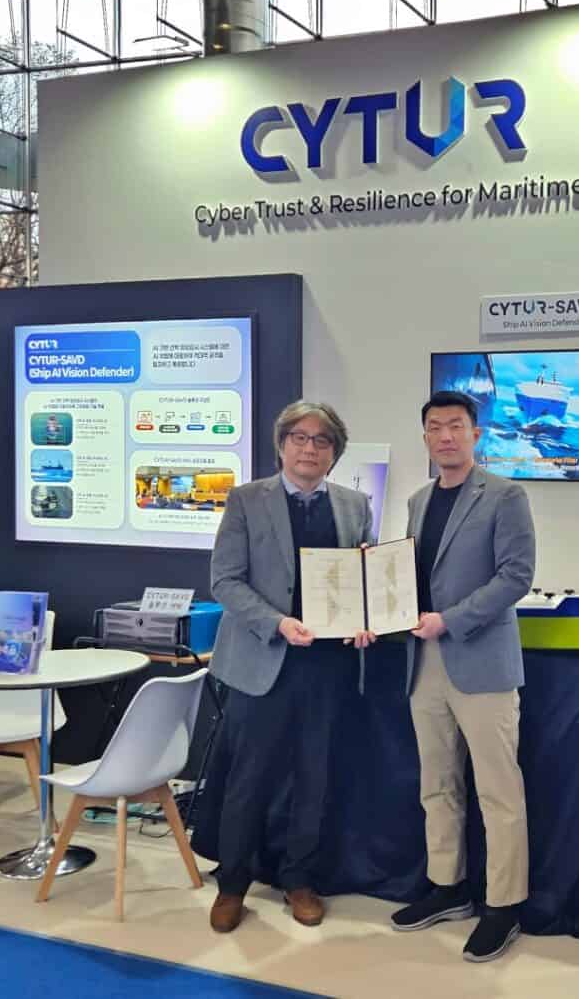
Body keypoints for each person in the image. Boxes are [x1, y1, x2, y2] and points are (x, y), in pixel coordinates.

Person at [207, 400, 372, 934]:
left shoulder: (354, 505)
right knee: (248, 779)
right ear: (281, 445)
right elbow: (225, 581)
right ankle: (233, 883)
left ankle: (298, 878)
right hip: (263, 660)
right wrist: (277, 623)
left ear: (334, 453)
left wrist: (366, 618)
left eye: (322, 440)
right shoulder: (245, 500)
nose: (309, 448)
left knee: (313, 777)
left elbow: (365, 579)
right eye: (299, 437)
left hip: (328, 665)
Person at [390, 389, 536, 962]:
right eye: (434, 427)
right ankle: (447, 887)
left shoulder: (505, 495)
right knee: (437, 783)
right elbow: (409, 578)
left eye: (455, 425)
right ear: (425, 437)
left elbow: (516, 576)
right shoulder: (418, 501)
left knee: (498, 789)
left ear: (476, 434)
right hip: (423, 661)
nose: (445, 435)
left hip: (481, 662)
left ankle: (504, 905)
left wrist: (450, 620)